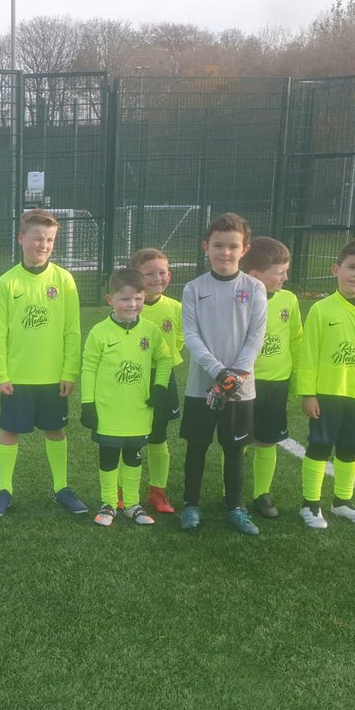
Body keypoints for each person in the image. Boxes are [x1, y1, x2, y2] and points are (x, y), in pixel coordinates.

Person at [0, 208, 87, 517]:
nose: (43, 245)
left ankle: (61, 488)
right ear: (21, 239)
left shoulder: (64, 280)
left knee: (55, 431)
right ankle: (4, 489)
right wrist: (1, 374)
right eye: (37, 238)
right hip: (17, 377)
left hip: (53, 377)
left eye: (50, 240)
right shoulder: (8, 282)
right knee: (9, 431)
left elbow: (72, 330)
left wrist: (69, 371)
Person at [179, 212, 268, 536]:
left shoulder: (255, 288)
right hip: (201, 386)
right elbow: (191, 336)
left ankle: (235, 507)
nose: (225, 252)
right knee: (197, 446)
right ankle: (191, 504)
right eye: (218, 245)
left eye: (233, 246)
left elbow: (256, 336)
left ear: (245, 249)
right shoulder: (193, 288)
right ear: (206, 246)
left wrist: (236, 375)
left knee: (234, 449)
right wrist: (218, 372)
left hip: (240, 388)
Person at [296, 239, 355, 529]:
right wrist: (308, 393)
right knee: (319, 446)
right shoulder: (322, 309)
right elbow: (309, 354)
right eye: (352, 267)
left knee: (350, 448)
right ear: (336, 269)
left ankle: (342, 502)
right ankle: (310, 505)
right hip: (327, 394)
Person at [80, 267, 173, 527]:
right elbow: (88, 369)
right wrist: (88, 404)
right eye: (124, 298)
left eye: (138, 298)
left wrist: (160, 387)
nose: (132, 304)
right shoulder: (99, 332)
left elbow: (164, 359)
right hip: (108, 410)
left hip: (139, 411)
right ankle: (109, 504)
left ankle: (132, 504)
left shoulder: (151, 331)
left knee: (134, 457)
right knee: (109, 456)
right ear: (110, 299)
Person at [240, 237, 302, 519]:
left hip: (277, 384)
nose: (285, 278)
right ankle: (233, 493)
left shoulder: (289, 300)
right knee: (238, 441)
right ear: (255, 275)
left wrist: (297, 380)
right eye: (280, 272)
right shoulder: (239, 299)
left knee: (267, 440)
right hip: (244, 384)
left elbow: (297, 341)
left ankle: (261, 493)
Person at [132, 247, 183, 515]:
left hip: (164, 377)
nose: (157, 278)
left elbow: (181, 337)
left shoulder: (175, 308)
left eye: (162, 272)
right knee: (129, 435)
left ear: (169, 275)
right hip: (134, 377)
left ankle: (157, 492)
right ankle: (123, 491)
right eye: (149, 273)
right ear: (136, 276)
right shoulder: (131, 307)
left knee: (158, 436)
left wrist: (168, 358)